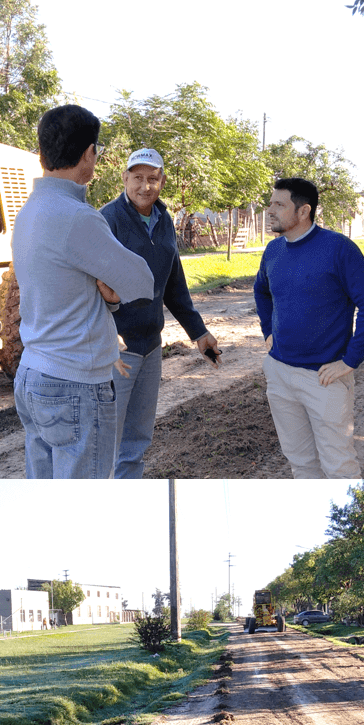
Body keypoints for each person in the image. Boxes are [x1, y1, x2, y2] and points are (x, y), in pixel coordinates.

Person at [12, 104, 155, 479]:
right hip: (73, 382)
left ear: (42, 152)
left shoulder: (30, 211)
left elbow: (64, 288)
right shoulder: (76, 217)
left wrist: (107, 297)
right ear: (90, 154)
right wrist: (114, 289)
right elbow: (140, 281)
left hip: (33, 372)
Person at [100, 147, 222, 478]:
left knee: (136, 441)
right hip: (118, 353)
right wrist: (106, 341)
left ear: (162, 181)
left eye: (152, 178)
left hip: (151, 348)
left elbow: (174, 286)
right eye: (137, 178)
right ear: (124, 178)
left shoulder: (164, 220)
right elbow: (89, 289)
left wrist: (198, 332)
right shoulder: (106, 220)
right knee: (103, 443)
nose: (144, 186)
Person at [254, 177, 364, 478]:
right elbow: (261, 291)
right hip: (279, 374)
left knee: (338, 465)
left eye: (279, 204)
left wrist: (350, 361)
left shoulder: (338, 249)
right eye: (270, 202)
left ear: (303, 211)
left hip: (323, 379)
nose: (270, 210)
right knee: (300, 463)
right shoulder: (273, 251)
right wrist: (268, 331)